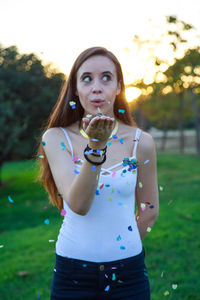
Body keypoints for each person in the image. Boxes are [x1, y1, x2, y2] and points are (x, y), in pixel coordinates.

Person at [37, 46, 159, 300]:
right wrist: (95, 149)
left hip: (129, 275)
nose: (96, 87)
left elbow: (149, 210)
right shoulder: (56, 138)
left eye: (106, 77)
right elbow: (79, 205)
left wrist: (121, 253)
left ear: (118, 87)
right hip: (73, 275)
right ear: (75, 88)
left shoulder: (141, 141)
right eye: (87, 78)